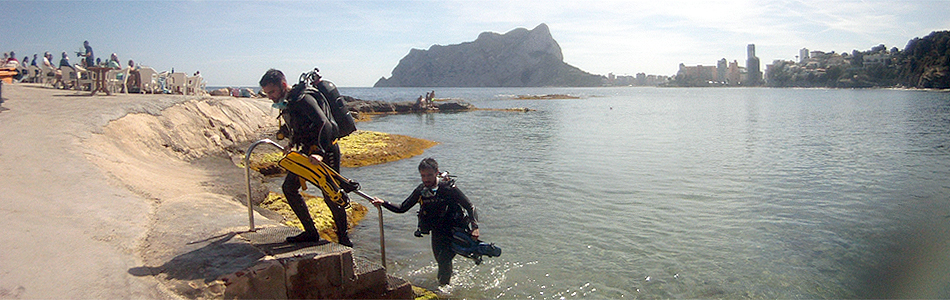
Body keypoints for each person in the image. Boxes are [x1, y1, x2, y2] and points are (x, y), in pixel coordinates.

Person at [258, 68, 352, 247]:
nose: (270, 96)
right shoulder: (289, 102)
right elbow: (298, 126)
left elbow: (325, 124)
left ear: (283, 85)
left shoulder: (303, 99)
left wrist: (320, 152)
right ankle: (310, 232)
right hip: (307, 154)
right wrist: (291, 143)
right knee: (289, 188)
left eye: (272, 92)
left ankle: (344, 239)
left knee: (331, 194)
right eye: (267, 93)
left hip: (325, 151)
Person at [372, 158, 480, 286]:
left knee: (444, 260)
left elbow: (470, 206)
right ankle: (448, 284)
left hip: (454, 229)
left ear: (436, 172)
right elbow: (402, 208)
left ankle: (443, 290)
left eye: (429, 175)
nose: (426, 179)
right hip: (437, 232)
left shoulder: (448, 188)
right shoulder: (421, 191)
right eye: (423, 176)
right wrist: (383, 203)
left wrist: (475, 227)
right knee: (441, 261)